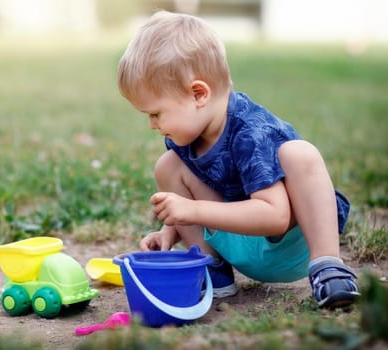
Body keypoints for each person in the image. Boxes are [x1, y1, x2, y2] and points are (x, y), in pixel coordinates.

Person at [117, 10, 359, 308]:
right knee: (168, 165)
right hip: (236, 240)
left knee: (299, 153)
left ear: (198, 94)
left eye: (156, 113)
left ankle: (328, 267)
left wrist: (192, 210)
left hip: (287, 243)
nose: (152, 124)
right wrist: (170, 230)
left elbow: (276, 217)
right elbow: (195, 203)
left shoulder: (250, 132)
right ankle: (211, 271)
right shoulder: (185, 139)